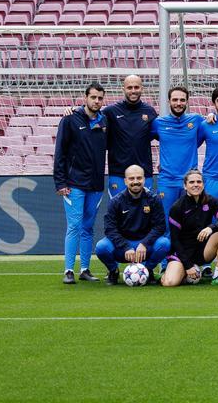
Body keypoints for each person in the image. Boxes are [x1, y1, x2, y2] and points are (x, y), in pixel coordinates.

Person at [53, 82, 109, 284]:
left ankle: (85, 268)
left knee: (88, 227)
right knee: (74, 226)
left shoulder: (105, 122)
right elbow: (60, 153)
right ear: (85, 97)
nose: (96, 101)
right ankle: (68, 270)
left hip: (95, 184)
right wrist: (60, 182)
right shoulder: (69, 119)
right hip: (74, 183)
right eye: (93, 97)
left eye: (100, 98)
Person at [95, 164, 170, 285]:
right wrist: (125, 246)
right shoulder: (116, 201)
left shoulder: (154, 200)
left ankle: (148, 270)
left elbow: (160, 227)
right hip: (123, 248)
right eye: (131, 178)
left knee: (164, 244)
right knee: (101, 247)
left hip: (145, 246)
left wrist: (145, 243)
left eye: (139, 178)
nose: (136, 182)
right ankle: (113, 271)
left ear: (144, 180)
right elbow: (110, 229)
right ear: (125, 181)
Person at [163, 169, 218, 287]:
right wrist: (188, 266)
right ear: (185, 186)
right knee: (169, 283)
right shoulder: (177, 207)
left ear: (203, 184)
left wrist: (211, 228)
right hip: (183, 253)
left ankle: (217, 276)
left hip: (204, 251)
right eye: (191, 182)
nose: (195, 185)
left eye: (199, 182)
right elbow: (175, 240)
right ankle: (175, 274)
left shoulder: (211, 201)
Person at [102, 75, 158, 198]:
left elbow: (164, 136)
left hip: (144, 173)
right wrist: (75, 110)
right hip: (118, 174)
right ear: (124, 89)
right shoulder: (110, 111)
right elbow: (90, 116)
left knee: (144, 214)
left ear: (142, 88)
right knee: (118, 213)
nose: (133, 91)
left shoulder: (150, 111)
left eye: (136, 87)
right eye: (130, 87)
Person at [152, 85, 205, 213]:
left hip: (190, 181)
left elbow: (201, 138)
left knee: (191, 222)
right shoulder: (158, 123)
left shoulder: (197, 120)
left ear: (187, 102)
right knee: (166, 219)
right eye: (175, 100)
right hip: (167, 180)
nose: (178, 103)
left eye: (182, 100)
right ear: (169, 101)